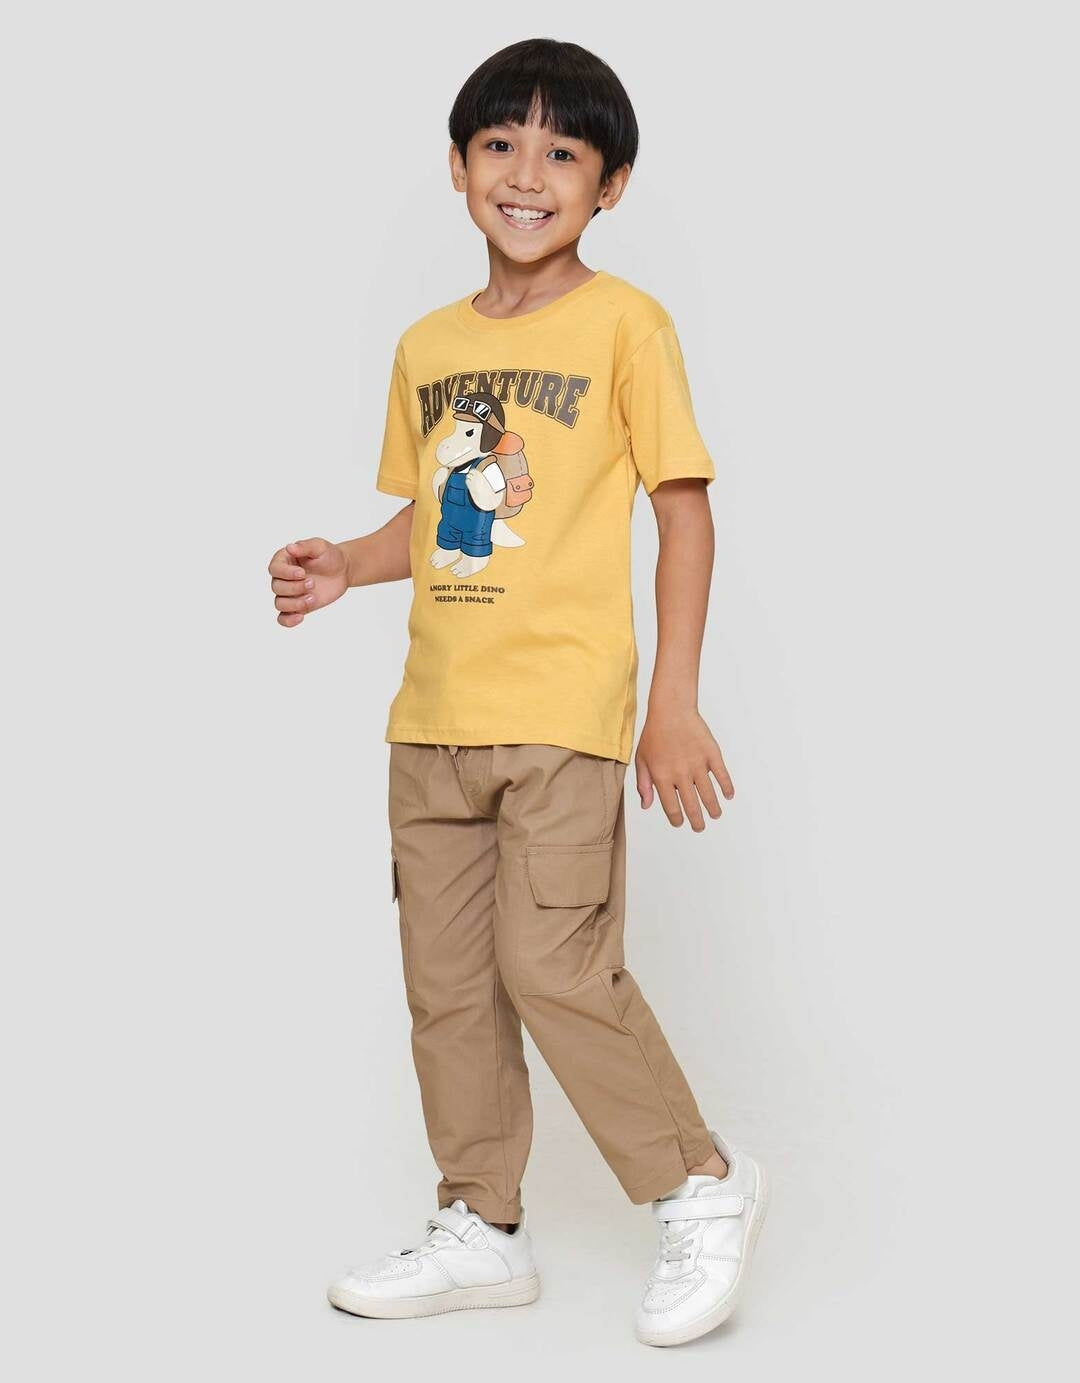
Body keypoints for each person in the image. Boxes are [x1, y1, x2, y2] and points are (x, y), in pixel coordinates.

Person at [266, 37, 767, 1348]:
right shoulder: (426, 345)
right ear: (456, 166)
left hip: (561, 715)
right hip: (431, 718)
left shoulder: (626, 326)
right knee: (449, 988)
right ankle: (481, 1226)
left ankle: (700, 1184)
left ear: (611, 185)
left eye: (563, 151)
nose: (527, 174)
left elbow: (684, 510)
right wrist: (347, 564)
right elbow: (436, 520)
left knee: (556, 968)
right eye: (500, 144)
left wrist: (673, 702)